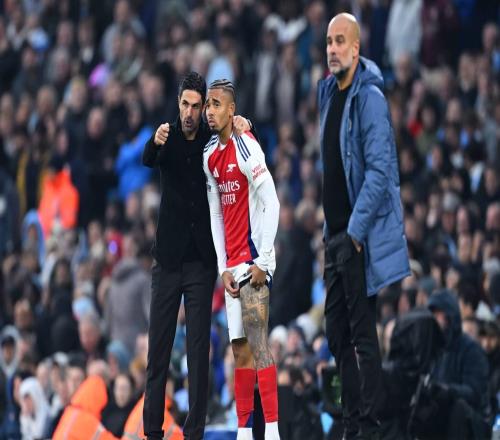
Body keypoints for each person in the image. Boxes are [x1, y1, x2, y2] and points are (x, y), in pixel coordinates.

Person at [142, 72, 253, 440]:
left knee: (198, 353)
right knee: (158, 352)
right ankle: (152, 433)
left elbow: (238, 137)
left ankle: (195, 434)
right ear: (178, 104)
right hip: (168, 261)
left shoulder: (212, 138)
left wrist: (242, 123)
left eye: (196, 106)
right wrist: (154, 140)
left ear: (205, 106)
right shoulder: (168, 136)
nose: (189, 112)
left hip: (201, 263)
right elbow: (148, 158)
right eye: (184, 105)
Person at [318, 13, 410, 439]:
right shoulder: (327, 93)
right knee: (336, 335)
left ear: (356, 49)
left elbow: (379, 170)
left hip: (354, 237)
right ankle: (353, 422)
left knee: (362, 336)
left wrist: (355, 232)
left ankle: (371, 428)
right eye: (329, 42)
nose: (333, 49)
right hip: (334, 236)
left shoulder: (369, 98)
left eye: (341, 41)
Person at [203, 79, 281, 440]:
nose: (209, 111)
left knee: (259, 342)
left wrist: (264, 261)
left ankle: (273, 431)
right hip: (232, 266)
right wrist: (222, 268)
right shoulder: (209, 155)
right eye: (208, 104)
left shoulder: (247, 146)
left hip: (253, 260)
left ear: (232, 110)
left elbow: (272, 201)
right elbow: (216, 214)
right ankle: (244, 432)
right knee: (239, 349)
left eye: (216, 104)